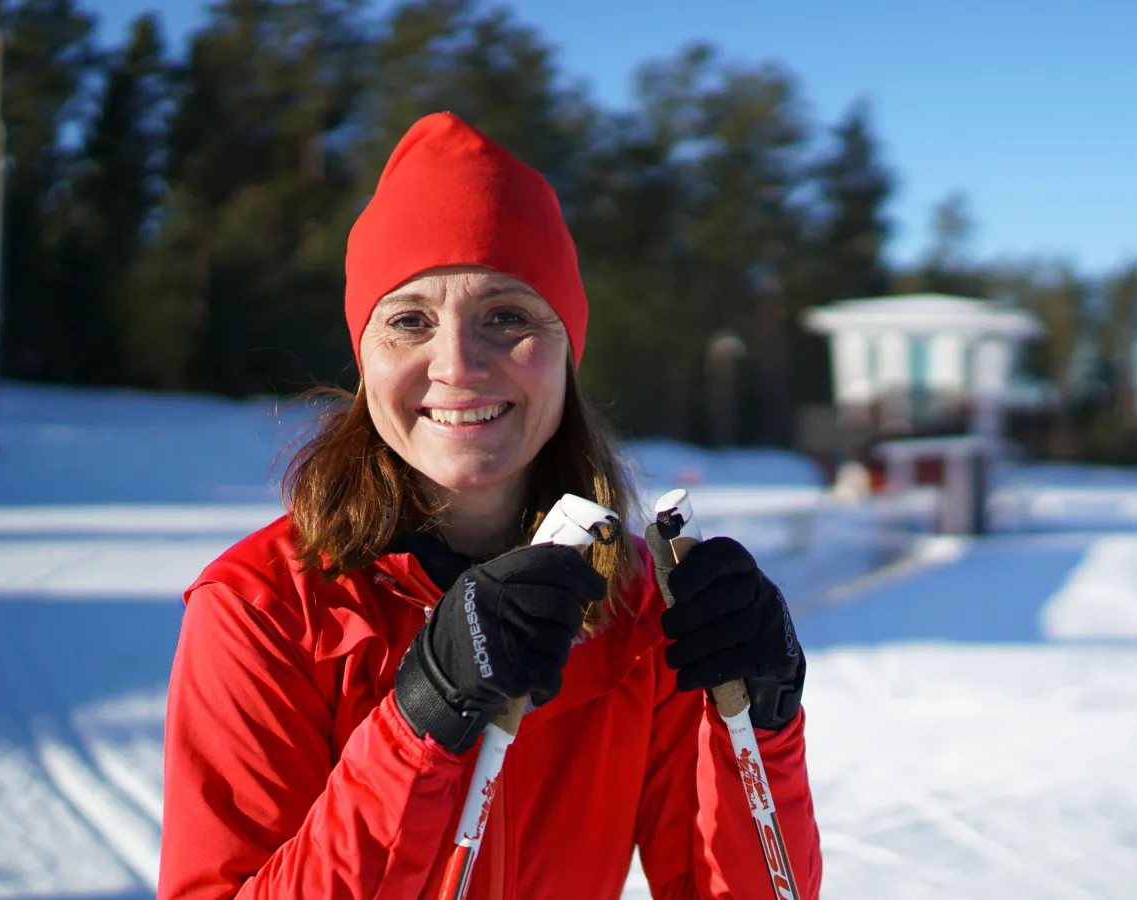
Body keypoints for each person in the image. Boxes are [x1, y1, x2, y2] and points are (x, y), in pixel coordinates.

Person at [157, 112, 820, 900]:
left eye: (507, 316)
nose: (458, 365)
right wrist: (423, 720)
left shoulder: (639, 605)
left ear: (566, 347)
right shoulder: (264, 609)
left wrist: (757, 724)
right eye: (409, 321)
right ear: (364, 358)